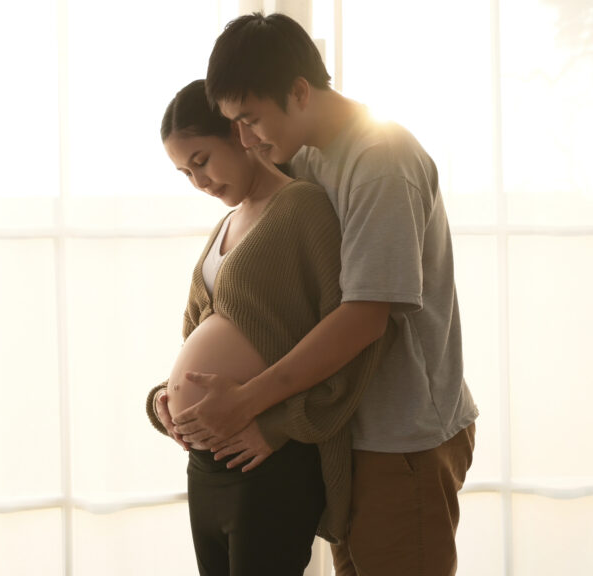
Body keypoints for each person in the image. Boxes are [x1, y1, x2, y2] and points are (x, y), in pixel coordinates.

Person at [167, 12, 480, 576]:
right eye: (234, 124)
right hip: (347, 435)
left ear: (299, 91)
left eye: (250, 119)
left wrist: (254, 406)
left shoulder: (380, 160)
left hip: (401, 434)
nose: (245, 139)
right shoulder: (306, 155)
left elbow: (363, 317)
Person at [147, 79, 391, 576]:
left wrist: (279, 426)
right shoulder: (227, 224)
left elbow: (352, 337)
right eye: (183, 172)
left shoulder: (303, 207)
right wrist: (164, 400)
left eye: (201, 160)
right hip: (206, 465)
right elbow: (199, 335)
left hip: (265, 460)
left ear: (240, 134)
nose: (199, 181)